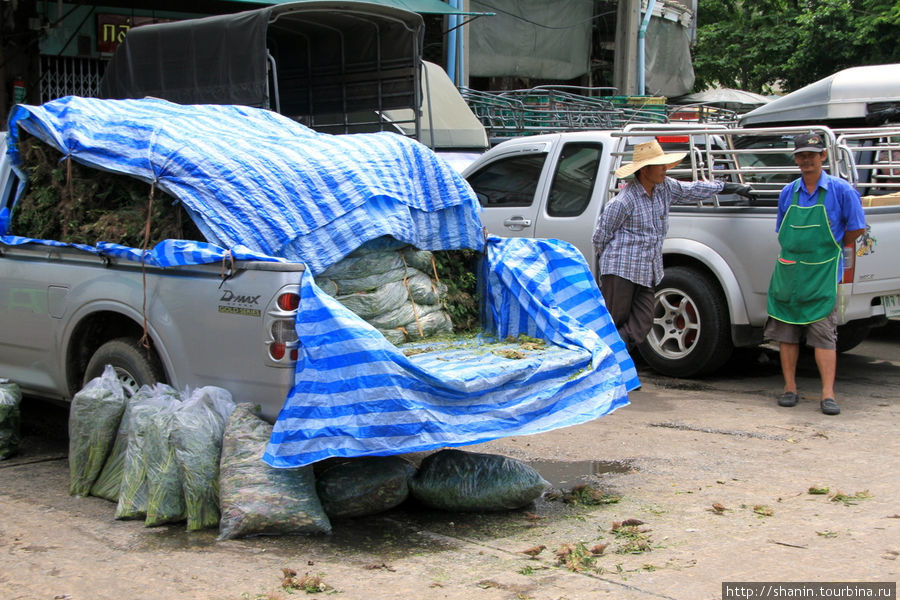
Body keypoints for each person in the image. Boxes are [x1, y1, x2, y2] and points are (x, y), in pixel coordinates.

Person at [592, 140, 752, 348]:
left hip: (647, 271)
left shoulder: (664, 188)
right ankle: (609, 364)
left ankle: (609, 352)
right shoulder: (624, 201)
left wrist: (729, 187)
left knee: (643, 322)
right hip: (621, 271)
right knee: (614, 320)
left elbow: (693, 189)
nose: (665, 169)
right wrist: (610, 269)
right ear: (645, 170)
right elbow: (600, 237)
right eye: (660, 165)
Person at [765, 133, 867, 416]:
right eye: (801, 155)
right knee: (786, 331)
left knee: (823, 334)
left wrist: (830, 248)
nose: (806, 160)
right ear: (795, 159)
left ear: (823, 156)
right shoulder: (789, 192)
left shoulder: (840, 190)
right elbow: (781, 231)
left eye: (812, 154)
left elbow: (857, 228)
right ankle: (789, 388)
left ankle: (828, 394)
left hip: (823, 274)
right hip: (789, 272)